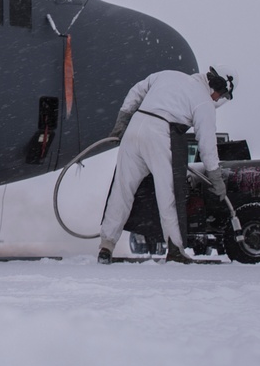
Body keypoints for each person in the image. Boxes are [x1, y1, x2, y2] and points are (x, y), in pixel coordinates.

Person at [97, 65, 238, 264]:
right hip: (161, 133)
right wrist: (215, 176)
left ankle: (106, 246)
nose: (217, 99)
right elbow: (206, 144)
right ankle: (175, 248)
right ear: (218, 85)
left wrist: (122, 121)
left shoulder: (167, 75)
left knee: (122, 190)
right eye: (221, 95)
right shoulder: (203, 102)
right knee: (168, 193)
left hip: (135, 128)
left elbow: (136, 90)